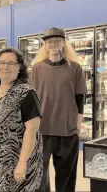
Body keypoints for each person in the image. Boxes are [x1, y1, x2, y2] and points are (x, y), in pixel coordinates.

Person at [0, 47, 43, 192]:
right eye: (2, 63)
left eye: (11, 63)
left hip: (13, 165)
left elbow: (32, 130)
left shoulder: (26, 92)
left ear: (19, 68)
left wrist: (22, 162)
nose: (5, 67)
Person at [30, 27, 87, 192]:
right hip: (42, 130)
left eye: (57, 40)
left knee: (66, 178)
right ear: (44, 45)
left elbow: (80, 97)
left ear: (64, 43)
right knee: (39, 177)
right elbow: (32, 99)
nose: (53, 44)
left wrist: (78, 124)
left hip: (67, 130)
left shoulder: (75, 68)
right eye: (49, 41)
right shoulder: (37, 68)